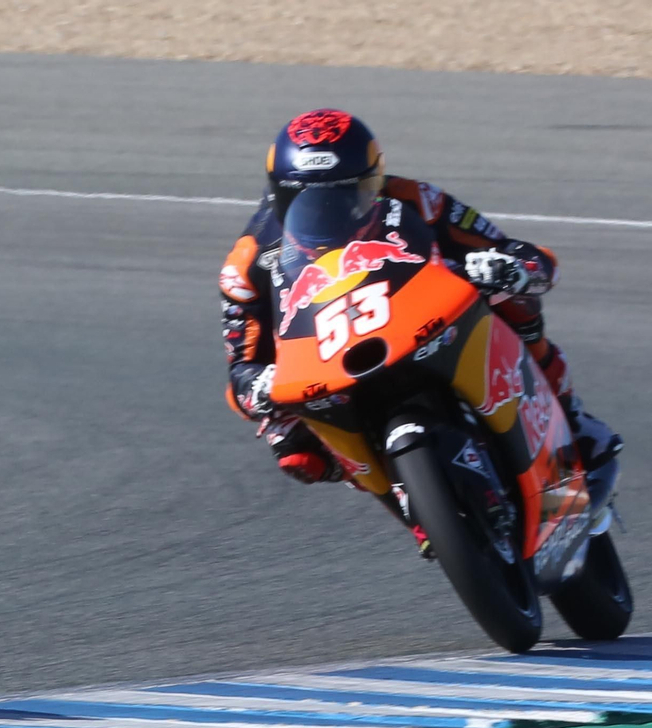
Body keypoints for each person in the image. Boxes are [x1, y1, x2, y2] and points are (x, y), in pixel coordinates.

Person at [218, 108, 620, 554]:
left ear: (374, 181)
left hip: (423, 317)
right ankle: (413, 504)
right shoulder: (247, 262)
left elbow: (512, 251)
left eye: (348, 195)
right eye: (308, 202)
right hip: (326, 358)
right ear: (278, 197)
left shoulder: (417, 199)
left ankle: (573, 419)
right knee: (296, 450)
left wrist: (511, 267)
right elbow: (240, 364)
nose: (329, 213)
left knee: (511, 298)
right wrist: (257, 386)